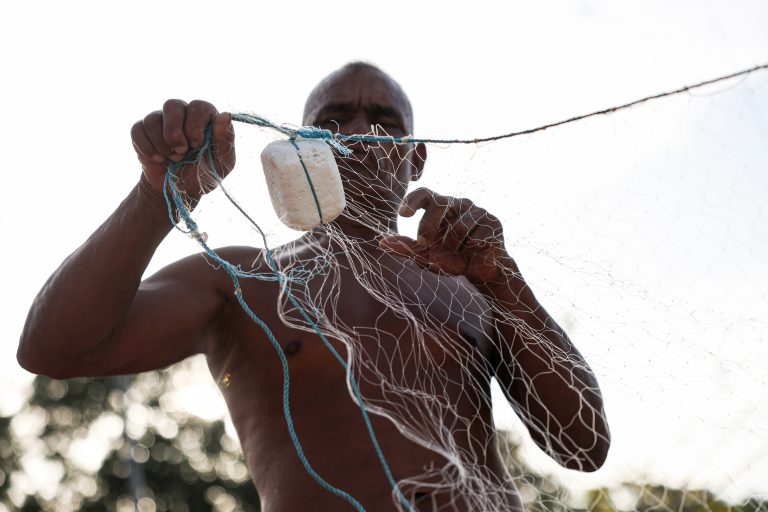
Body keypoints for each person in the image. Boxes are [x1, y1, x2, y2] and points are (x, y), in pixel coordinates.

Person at [18, 62, 610, 512]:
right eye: (332, 121)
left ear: (416, 158)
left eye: (385, 122)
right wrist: (159, 195)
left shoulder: (469, 281)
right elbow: (52, 349)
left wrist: (502, 279)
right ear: (299, 145)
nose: (360, 133)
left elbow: (584, 445)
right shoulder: (241, 279)